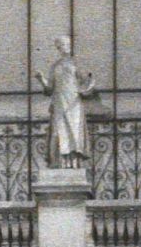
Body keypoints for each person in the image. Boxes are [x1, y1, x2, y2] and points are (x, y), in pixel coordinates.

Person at [35, 35, 96, 168]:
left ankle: (73, 163)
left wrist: (87, 88)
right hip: (59, 101)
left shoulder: (76, 63)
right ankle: (60, 162)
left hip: (73, 102)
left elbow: (88, 81)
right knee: (59, 131)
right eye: (62, 45)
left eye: (67, 44)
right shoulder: (55, 66)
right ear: (58, 48)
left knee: (74, 131)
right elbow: (49, 89)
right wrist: (41, 80)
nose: (65, 47)